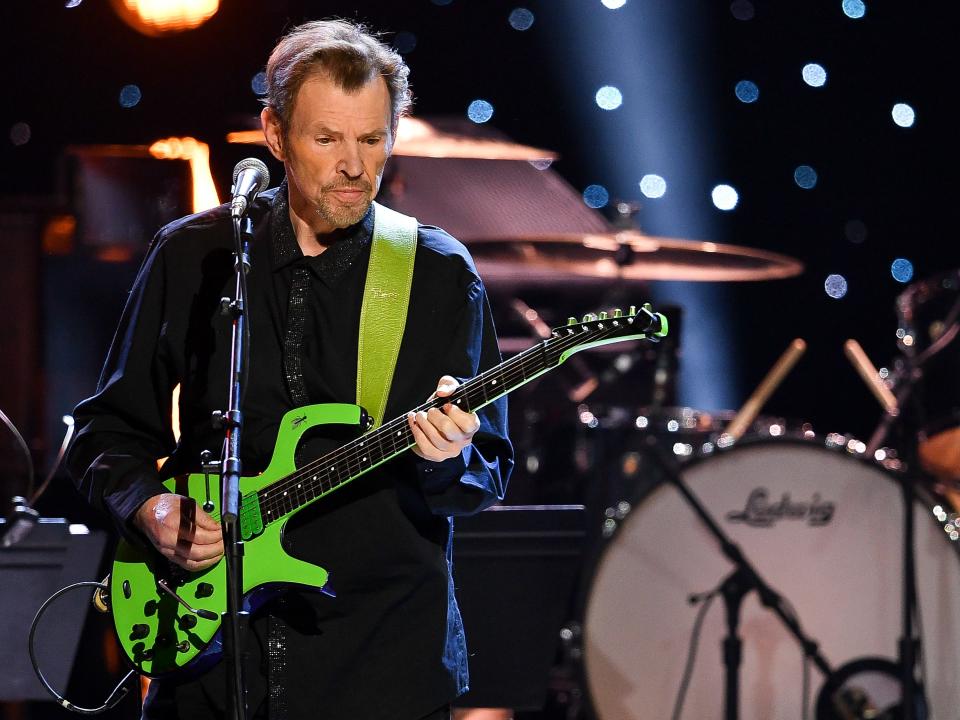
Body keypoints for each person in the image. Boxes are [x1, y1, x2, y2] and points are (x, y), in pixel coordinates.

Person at [67, 19, 513, 720]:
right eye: (327, 138)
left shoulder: (435, 272)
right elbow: (105, 431)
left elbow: (483, 476)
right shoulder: (196, 254)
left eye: (372, 139)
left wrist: (446, 460)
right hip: (208, 658)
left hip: (378, 663)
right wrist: (150, 508)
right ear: (275, 135)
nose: (355, 166)